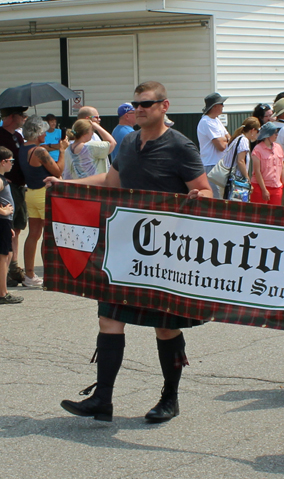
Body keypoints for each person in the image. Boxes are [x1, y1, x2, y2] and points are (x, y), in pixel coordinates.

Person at [45, 81, 212, 423]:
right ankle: (102, 400)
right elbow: (110, 184)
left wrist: (200, 199)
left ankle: (170, 398)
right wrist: (67, 185)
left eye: (146, 103)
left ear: (164, 106)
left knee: (165, 328)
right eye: (136, 104)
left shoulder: (181, 146)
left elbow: (205, 189)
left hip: (166, 252)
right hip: (127, 249)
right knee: (109, 318)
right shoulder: (130, 142)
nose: (139, 109)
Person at [19, 115, 67, 287]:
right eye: (44, 132)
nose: (46, 135)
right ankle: (50, 274)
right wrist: (62, 151)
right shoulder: (39, 151)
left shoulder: (23, 148)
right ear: (38, 132)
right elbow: (58, 170)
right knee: (49, 235)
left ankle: (29, 275)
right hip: (43, 194)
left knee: (33, 234)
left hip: (30, 193)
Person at [0, 107, 28, 287]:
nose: (25, 118)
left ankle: (14, 266)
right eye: (21, 115)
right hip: (5, 186)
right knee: (7, 227)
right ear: (11, 116)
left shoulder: (17, 137)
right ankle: (7, 269)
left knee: (17, 227)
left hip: (19, 186)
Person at [0, 146, 23, 304]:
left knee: (7, 255)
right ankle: (2, 293)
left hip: (5, 224)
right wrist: (2, 212)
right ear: (3, 162)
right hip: (2, 221)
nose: (12, 164)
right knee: (2, 258)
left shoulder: (3, 179)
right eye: (11, 161)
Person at [197, 92, 231, 199]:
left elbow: (229, 137)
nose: (223, 106)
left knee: (224, 196)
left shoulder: (216, 120)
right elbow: (220, 146)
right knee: (217, 199)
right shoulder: (206, 122)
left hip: (220, 165)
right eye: (221, 104)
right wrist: (225, 140)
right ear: (215, 106)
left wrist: (224, 139)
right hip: (211, 166)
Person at [219, 117, 259, 197]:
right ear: (252, 130)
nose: (257, 133)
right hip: (237, 181)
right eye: (257, 131)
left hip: (230, 179)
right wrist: (247, 180)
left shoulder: (237, 138)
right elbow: (240, 161)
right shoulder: (244, 140)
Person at [250, 122, 284, 205]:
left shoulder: (278, 147)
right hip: (260, 187)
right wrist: (264, 190)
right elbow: (257, 172)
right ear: (267, 135)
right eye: (274, 133)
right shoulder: (257, 149)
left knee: (274, 215)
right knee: (260, 214)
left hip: (277, 187)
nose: (277, 135)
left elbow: (282, 167)